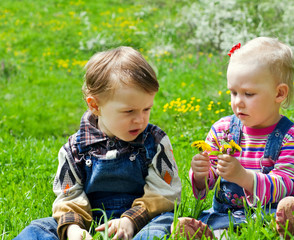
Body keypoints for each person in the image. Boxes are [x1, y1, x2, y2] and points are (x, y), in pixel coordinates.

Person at [14, 46, 182, 240]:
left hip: (143, 219)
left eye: (147, 109)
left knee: (166, 223)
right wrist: (73, 229)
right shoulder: (75, 148)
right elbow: (68, 195)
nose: (140, 119)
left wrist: (130, 221)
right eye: (129, 111)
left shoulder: (154, 142)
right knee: (40, 228)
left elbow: (165, 193)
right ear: (95, 106)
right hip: (91, 220)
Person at [185, 37, 294, 238]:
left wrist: (244, 177)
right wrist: (200, 175)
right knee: (211, 224)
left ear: (279, 93)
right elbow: (211, 177)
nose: (238, 103)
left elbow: (287, 184)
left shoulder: (291, 137)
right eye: (233, 93)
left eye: (248, 94)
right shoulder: (222, 130)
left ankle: (290, 228)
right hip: (227, 215)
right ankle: (207, 234)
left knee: (289, 210)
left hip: (271, 214)